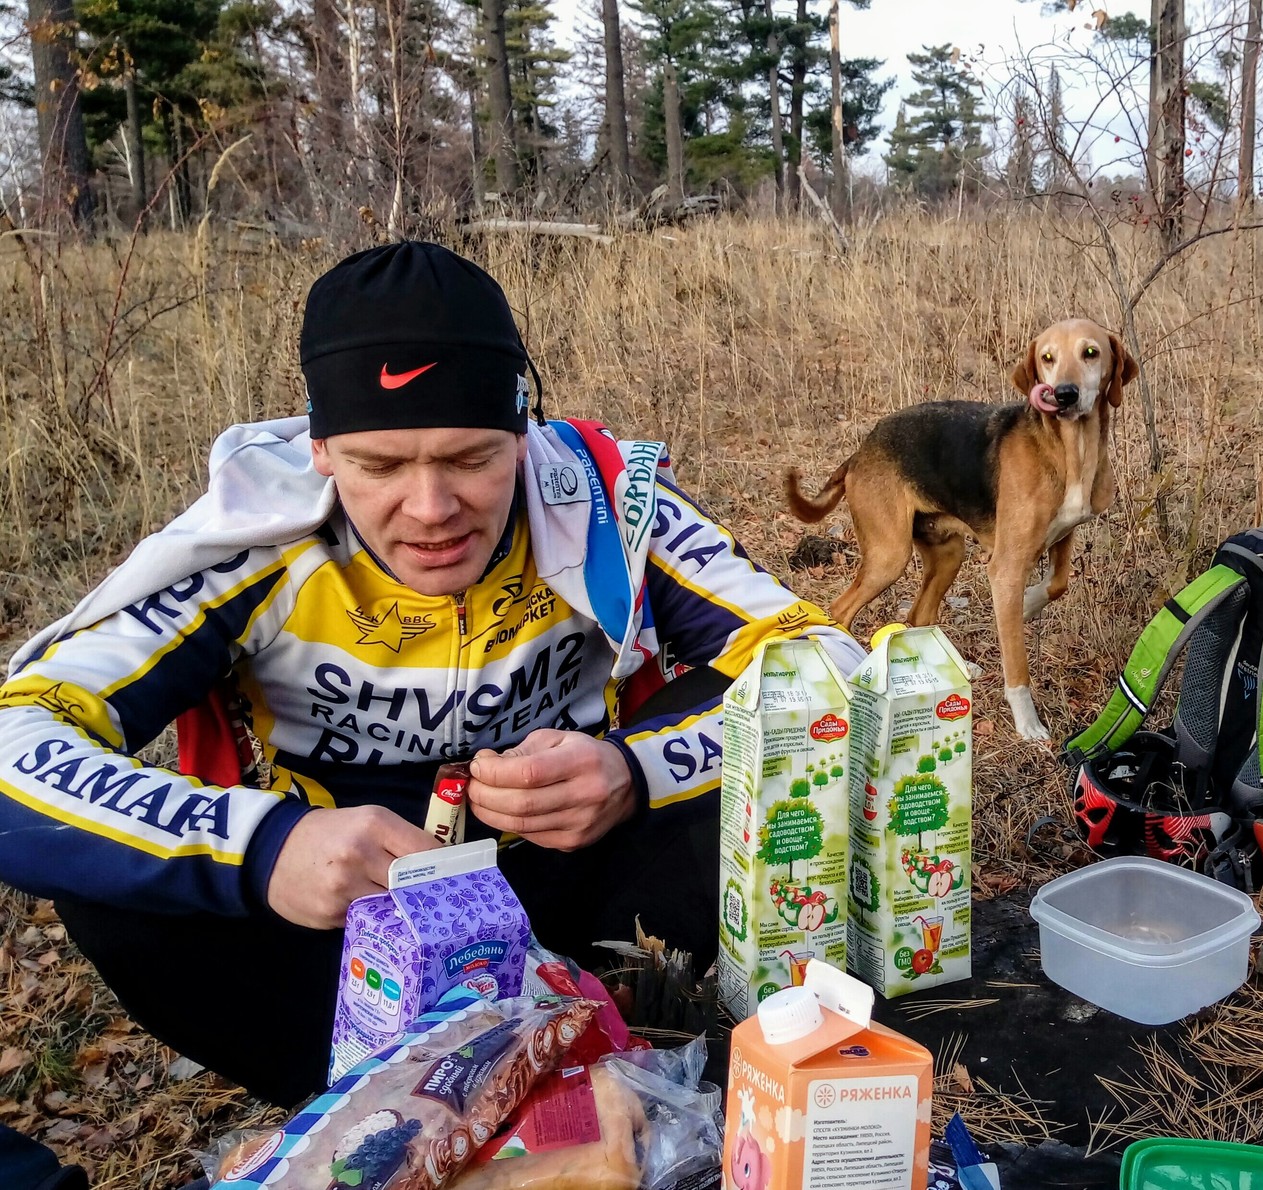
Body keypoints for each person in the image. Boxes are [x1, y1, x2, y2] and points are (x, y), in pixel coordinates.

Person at [0, 241, 863, 1107]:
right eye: (380, 467)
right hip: (344, 926)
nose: (430, 509)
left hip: (579, 883)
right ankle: (350, 1094)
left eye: (471, 459)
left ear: (522, 433)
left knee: (768, 724)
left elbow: (831, 661)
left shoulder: (599, 502)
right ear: (322, 450)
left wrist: (635, 771)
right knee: (99, 868)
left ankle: (632, 1028)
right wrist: (264, 847)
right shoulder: (251, 541)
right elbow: (15, 742)